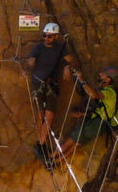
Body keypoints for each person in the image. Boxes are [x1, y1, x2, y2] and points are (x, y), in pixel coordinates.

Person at [20, 22, 77, 162]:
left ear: (56, 37)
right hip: (38, 83)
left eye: (49, 36)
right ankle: (41, 143)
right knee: (40, 116)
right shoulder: (38, 47)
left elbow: (72, 61)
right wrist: (26, 70)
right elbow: (31, 63)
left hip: (52, 85)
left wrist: (67, 67)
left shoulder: (61, 48)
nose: (46, 38)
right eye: (45, 35)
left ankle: (40, 144)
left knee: (49, 116)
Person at [68, 66, 118, 145]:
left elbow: (93, 94)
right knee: (76, 143)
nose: (100, 74)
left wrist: (81, 80)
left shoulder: (109, 92)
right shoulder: (109, 92)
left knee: (73, 138)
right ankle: (56, 157)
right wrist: (81, 114)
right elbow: (101, 111)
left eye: (103, 74)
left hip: (97, 124)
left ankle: (52, 155)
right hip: (100, 125)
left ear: (108, 79)